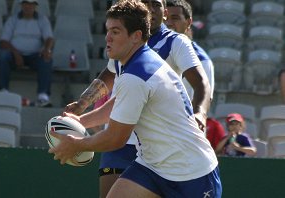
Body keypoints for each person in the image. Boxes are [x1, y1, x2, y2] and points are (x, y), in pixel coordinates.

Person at [49, 1, 222, 197]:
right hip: (151, 165)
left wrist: (77, 144)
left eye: (115, 32)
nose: (107, 38)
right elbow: (122, 103)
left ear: (136, 36)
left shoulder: (137, 74)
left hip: (191, 172)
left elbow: (115, 138)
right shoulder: (134, 60)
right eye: (107, 31)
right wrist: (81, 121)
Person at [0, 0, 54, 107]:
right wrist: (16, 53)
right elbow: (4, 41)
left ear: (35, 6)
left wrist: (47, 50)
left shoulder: (42, 19)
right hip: (14, 55)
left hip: (35, 56)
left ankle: (43, 96)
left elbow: (49, 38)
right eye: (26, 3)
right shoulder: (13, 20)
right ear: (22, 5)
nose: (28, 6)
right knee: (3, 55)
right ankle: (3, 91)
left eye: (31, 4)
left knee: (47, 59)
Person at [165, 0, 215, 101]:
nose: (168, 23)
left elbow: (203, 101)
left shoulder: (202, 61)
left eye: (175, 18)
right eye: (164, 19)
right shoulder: (150, 51)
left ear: (188, 22)